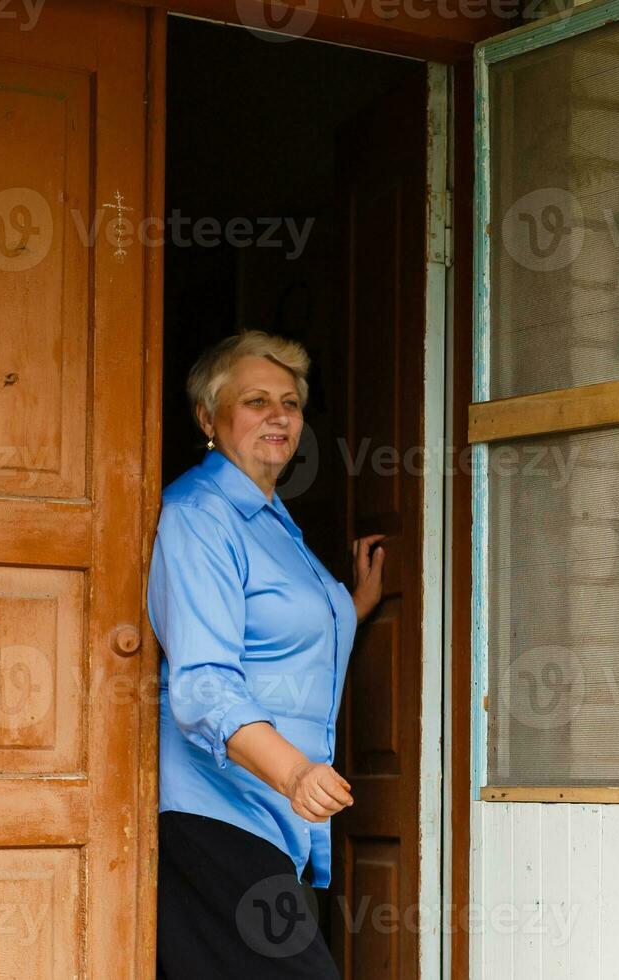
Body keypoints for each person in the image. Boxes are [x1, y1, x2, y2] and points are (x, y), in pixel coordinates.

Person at [149, 330, 386, 978]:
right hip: (220, 810)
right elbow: (202, 685)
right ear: (208, 416)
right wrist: (294, 772)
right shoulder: (200, 515)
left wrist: (347, 610)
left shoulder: (276, 520)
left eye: (290, 401)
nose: (279, 415)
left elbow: (271, 630)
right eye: (256, 400)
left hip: (274, 819)